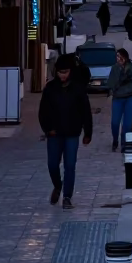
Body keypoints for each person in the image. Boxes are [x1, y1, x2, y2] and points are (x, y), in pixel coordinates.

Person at [38, 54, 93, 209]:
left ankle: (67, 197)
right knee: (53, 165)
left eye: (65, 72)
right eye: (60, 72)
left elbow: (85, 112)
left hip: (72, 133)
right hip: (54, 134)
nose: (63, 75)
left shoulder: (78, 89)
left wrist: (88, 132)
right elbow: (43, 112)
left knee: (70, 166)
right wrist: (48, 129)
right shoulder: (50, 89)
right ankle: (57, 185)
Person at [108, 48, 132, 150]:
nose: (118, 59)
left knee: (127, 124)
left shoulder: (131, 68)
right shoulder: (115, 69)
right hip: (117, 99)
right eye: (117, 56)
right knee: (115, 122)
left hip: (129, 98)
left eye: (120, 56)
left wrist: (126, 90)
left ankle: (123, 143)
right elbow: (111, 83)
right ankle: (115, 139)